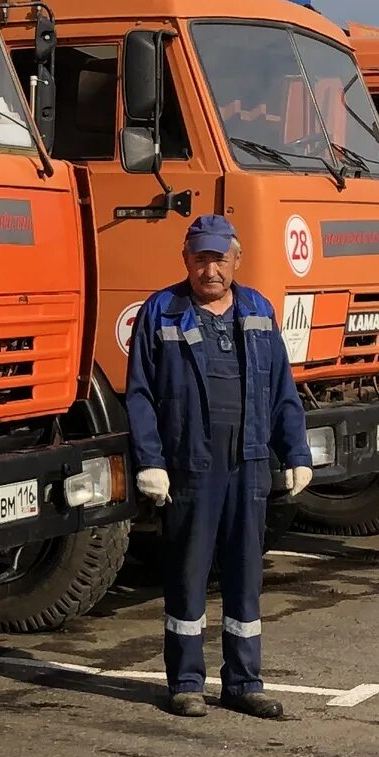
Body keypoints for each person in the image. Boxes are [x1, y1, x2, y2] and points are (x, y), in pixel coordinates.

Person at [126, 215, 314, 719]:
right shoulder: (161, 311)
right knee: (188, 573)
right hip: (190, 462)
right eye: (200, 258)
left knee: (245, 574)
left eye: (219, 259)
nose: (210, 269)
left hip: (248, 461)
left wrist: (295, 451)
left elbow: (281, 389)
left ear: (237, 260)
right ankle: (186, 682)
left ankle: (243, 682)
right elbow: (141, 395)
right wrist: (151, 461)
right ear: (186, 258)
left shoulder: (257, 309)